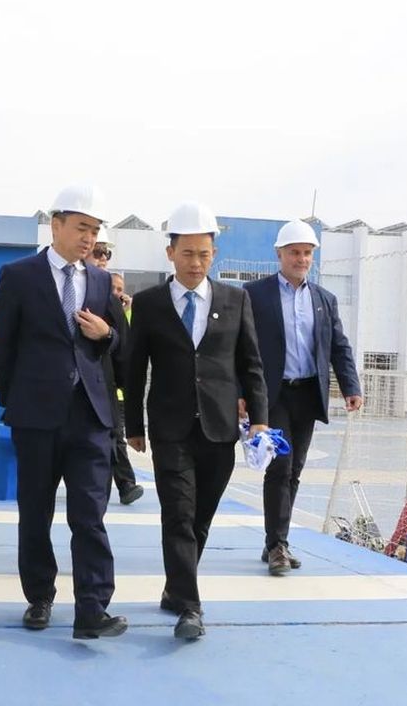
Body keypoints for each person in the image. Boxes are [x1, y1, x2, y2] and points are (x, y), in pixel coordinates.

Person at [0, 184, 129, 640]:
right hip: (37, 416)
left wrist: (107, 333)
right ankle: (40, 597)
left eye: (94, 230)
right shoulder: (20, 274)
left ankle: (92, 608)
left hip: (89, 416)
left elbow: (120, 346)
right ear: (57, 225)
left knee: (90, 514)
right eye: (81, 228)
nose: (89, 238)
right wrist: (16, 399)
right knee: (36, 512)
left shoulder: (103, 281)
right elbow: (2, 346)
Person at [124, 202, 269, 640]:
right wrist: (132, 426)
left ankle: (175, 589)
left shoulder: (235, 299)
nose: (195, 263)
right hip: (169, 428)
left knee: (201, 517)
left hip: (219, 428)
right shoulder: (148, 305)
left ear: (214, 254)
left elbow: (252, 364)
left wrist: (259, 419)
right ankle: (190, 606)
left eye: (204, 255)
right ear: (170, 253)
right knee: (179, 515)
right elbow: (133, 368)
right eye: (187, 254)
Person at [242, 218, 363, 576]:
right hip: (270, 395)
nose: (301, 259)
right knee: (278, 467)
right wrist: (241, 393)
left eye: (307, 253)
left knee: (294, 470)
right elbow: (239, 346)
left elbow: (338, 345)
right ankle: (278, 545)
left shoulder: (324, 299)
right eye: (294, 252)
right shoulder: (254, 295)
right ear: (280, 254)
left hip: (307, 394)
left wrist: (350, 385)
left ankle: (274, 541)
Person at [86, 229, 143, 506]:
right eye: (99, 251)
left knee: (108, 444)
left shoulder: (108, 300)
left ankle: (125, 485)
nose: (103, 259)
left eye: (107, 253)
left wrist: (107, 334)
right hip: (56, 400)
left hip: (103, 396)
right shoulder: (48, 287)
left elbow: (126, 350)